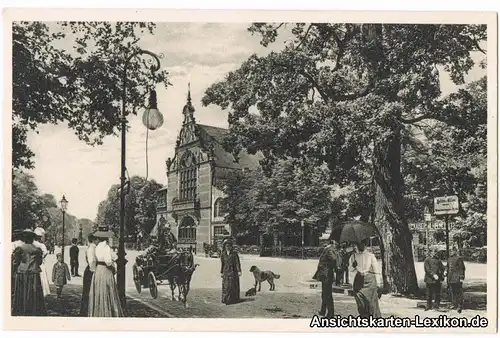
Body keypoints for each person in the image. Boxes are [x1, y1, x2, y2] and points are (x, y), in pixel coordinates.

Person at [88, 227, 123, 317]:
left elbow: (92, 261)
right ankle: (108, 313)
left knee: (99, 291)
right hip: (105, 270)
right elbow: (108, 261)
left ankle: (98, 312)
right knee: (108, 291)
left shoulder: (96, 247)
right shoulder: (106, 247)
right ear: (107, 237)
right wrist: (113, 267)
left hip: (98, 270)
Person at [12, 229, 46, 316]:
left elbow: (16, 262)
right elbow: (40, 262)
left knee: (21, 292)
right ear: (32, 238)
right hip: (34, 273)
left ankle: (21, 310)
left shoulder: (19, 249)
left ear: (24, 238)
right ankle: (34, 310)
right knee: (34, 292)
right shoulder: (37, 249)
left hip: (22, 273)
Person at [349, 238, 382, 318]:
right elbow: (350, 269)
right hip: (358, 281)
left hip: (370, 281)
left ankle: (374, 319)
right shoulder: (353, 256)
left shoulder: (371, 256)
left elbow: (376, 270)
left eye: (362, 244)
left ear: (365, 244)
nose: (360, 246)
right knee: (360, 301)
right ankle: (364, 317)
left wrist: (378, 284)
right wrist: (353, 266)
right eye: (358, 244)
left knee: (371, 303)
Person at [313, 238, 339, 318]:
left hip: (326, 274)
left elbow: (334, 259)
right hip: (326, 274)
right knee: (325, 293)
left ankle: (330, 314)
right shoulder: (330, 249)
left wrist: (330, 266)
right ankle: (323, 311)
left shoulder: (329, 249)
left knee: (327, 294)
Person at [79, 233, 99, 316]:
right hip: (91, 271)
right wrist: (95, 272)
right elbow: (91, 262)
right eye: (97, 239)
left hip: (89, 270)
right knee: (88, 291)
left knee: (88, 291)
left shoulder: (91, 248)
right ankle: (86, 311)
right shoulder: (92, 248)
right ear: (95, 240)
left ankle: (87, 310)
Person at [220, 238, 241, 305]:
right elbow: (222, 264)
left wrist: (239, 271)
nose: (228, 247)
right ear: (225, 247)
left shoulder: (234, 254)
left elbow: (237, 263)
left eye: (229, 246)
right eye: (226, 246)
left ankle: (233, 299)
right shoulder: (223, 254)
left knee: (232, 286)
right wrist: (221, 272)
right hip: (226, 271)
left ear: (231, 247)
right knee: (226, 286)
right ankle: (225, 299)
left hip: (233, 271)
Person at [446, 247, 466, 313]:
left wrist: (461, 277)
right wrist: (445, 271)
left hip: (457, 278)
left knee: (458, 292)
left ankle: (460, 305)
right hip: (450, 277)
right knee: (452, 291)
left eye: (452, 251)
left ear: (455, 251)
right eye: (450, 251)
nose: (451, 252)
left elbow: (462, 268)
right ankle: (454, 304)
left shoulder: (459, 258)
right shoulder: (449, 259)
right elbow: (447, 267)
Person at [33, 227, 50, 298]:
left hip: (33, 265)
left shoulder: (32, 244)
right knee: (42, 280)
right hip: (40, 265)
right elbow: (45, 254)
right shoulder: (42, 245)